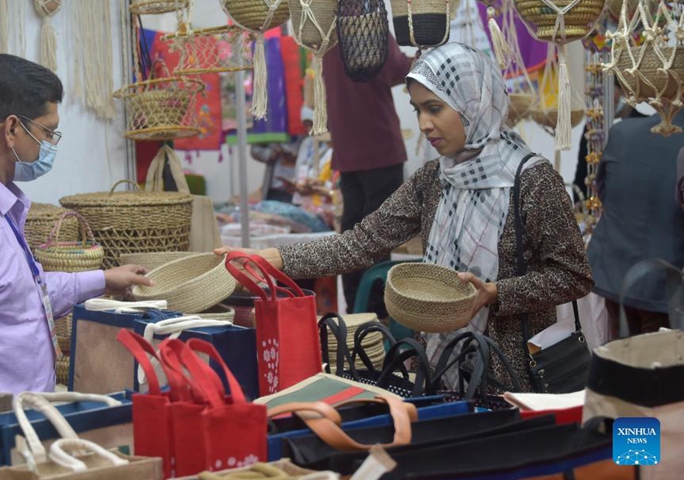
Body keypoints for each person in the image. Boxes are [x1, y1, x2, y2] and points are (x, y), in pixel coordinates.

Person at [217, 43, 593, 392]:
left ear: (472, 103)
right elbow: (361, 244)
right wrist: (273, 259)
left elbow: (573, 275)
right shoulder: (434, 180)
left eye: (434, 108)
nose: (425, 123)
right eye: (417, 110)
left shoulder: (531, 179)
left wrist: (494, 293)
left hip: (515, 381)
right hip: (442, 370)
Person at [0, 55, 153, 396]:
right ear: (11, 129)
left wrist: (103, 280)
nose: (50, 145)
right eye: (47, 131)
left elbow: (16, 294)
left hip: (20, 418)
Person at [323, 33, 412, 317]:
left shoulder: (326, 38)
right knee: (376, 240)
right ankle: (376, 317)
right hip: (379, 147)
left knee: (352, 239)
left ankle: (356, 313)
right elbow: (401, 70)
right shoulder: (371, 29)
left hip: (348, 152)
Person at [586, 111, 684, 339]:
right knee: (660, 368)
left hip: (614, 273)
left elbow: (603, 192)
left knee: (624, 362)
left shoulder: (622, 131)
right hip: (665, 282)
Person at [250, 107, 316, 204]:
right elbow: (255, 150)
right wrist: (270, 153)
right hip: (274, 185)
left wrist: (298, 156)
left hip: (299, 187)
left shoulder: (305, 132)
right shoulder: (272, 126)